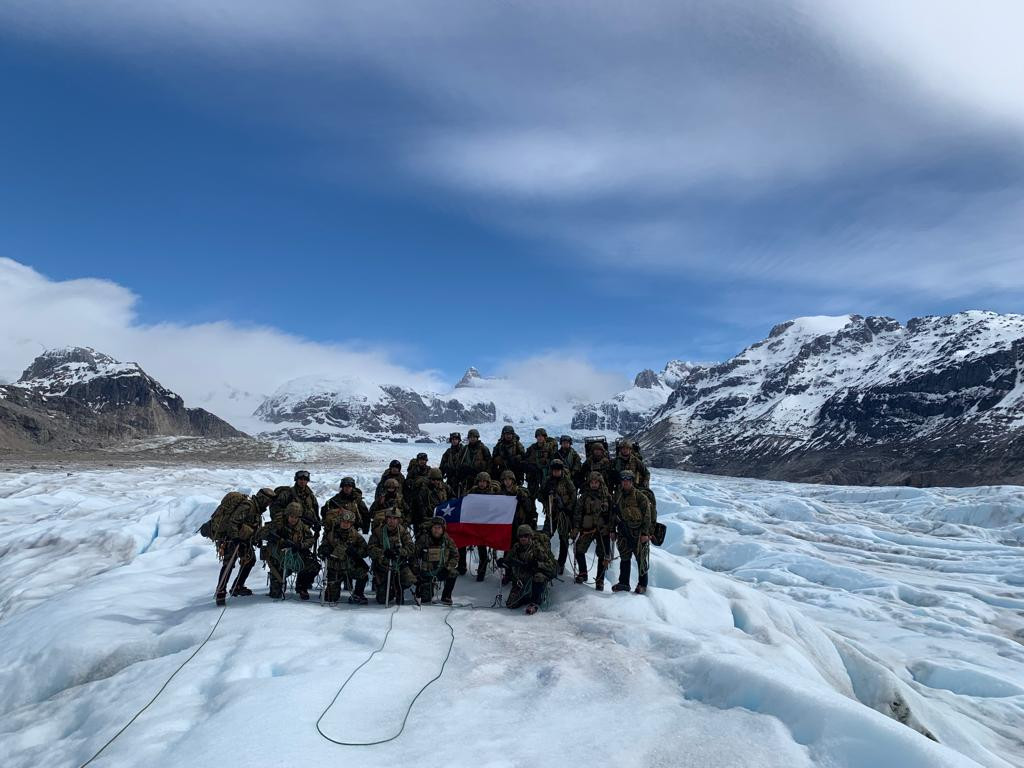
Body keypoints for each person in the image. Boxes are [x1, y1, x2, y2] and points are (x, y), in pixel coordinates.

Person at [213, 487, 275, 606]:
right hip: (232, 540)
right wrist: (236, 538)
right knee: (229, 564)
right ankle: (221, 592)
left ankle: (237, 586)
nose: (268, 505)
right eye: (267, 502)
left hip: (244, 541)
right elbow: (233, 522)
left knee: (250, 560)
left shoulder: (256, 509)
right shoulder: (248, 506)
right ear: (263, 499)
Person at [259, 502, 320, 600]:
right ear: (287, 515)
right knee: (276, 594)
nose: (293, 519)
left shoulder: (303, 527)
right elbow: (261, 534)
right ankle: (279, 585)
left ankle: (301, 587)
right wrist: (276, 538)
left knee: (314, 566)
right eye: (291, 516)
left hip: (297, 556)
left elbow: (311, 539)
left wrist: (300, 545)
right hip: (279, 558)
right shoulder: (278, 523)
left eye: (296, 517)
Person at [500, 525, 556, 615]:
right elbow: (508, 561)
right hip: (521, 579)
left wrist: (537, 564)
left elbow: (551, 566)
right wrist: (502, 562)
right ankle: (527, 595)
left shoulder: (537, 548)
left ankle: (535, 602)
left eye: (526, 536)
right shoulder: (516, 547)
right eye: (521, 536)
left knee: (539, 577)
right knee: (511, 604)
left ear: (530, 536)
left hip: (534, 577)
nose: (523, 538)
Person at [611, 471, 652, 595]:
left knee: (641, 560)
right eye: (623, 480)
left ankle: (642, 584)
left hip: (638, 533)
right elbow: (613, 515)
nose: (625, 482)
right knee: (625, 558)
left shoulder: (640, 497)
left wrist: (645, 533)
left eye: (628, 480)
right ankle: (624, 583)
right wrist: (612, 530)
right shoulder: (618, 496)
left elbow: (647, 516)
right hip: (623, 532)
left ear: (632, 481)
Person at [571, 472, 613, 591]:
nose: (594, 485)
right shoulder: (584, 497)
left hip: (602, 530)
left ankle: (600, 580)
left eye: (596, 482)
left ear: (600, 483)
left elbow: (612, 515)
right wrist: (576, 528)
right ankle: (583, 573)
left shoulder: (607, 497)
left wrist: (609, 528)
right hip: (587, 529)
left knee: (603, 555)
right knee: (579, 549)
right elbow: (578, 513)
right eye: (592, 482)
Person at [368, 508, 416, 605]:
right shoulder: (378, 532)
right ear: (386, 519)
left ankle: (399, 589)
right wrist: (383, 552)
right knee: (382, 599)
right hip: (383, 567)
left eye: (395, 518)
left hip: (399, 565)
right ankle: (388, 589)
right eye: (389, 518)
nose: (392, 521)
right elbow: (370, 549)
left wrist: (399, 551)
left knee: (410, 579)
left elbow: (411, 548)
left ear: (398, 520)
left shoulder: (403, 532)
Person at [499, 469, 537, 585]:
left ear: (513, 480)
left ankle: (521, 575)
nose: (507, 482)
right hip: (508, 525)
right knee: (508, 550)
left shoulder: (521, 492)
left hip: (521, 525)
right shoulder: (502, 493)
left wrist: (523, 500)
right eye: (505, 480)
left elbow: (530, 509)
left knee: (521, 551)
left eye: (509, 479)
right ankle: (508, 574)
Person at [462, 471, 501, 581]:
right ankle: (481, 571)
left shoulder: (494, 492)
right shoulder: (473, 491)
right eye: (480, 481)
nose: (482, 484)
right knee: (481, 548)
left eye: (484, 481)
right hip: (478, 524)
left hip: (491, 523)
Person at [325, 510, 370, 605]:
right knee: (330, 598)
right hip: (335, 568)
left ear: (352, 523)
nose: (345, 524)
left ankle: (358, 594)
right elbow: (322, 549)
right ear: (340, 521)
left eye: (348, 522)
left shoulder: (356, 536)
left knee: (363, 573)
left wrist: (355, 552)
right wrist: (325, 551)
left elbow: (366, 550)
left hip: (350, 567)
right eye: (344, 522)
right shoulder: (331, 534)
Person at [540, 458, 576, 575]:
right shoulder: (547, 480)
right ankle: (545, 560)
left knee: (564, 539)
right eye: (554, 470)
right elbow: (540, 494)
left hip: (563, 515)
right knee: (544, 537)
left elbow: (573, 495)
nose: (556, 472)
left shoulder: (567, 481)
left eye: (558, 470)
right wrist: (547, 494)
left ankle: (561, 564)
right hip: (551, 514)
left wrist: (567, 508)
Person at [414, 516, 459, 605]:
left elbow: (455, 556)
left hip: (441, 571)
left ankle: (446, 596)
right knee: (425, 600)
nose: (436, 530)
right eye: (435, 527)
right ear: (431, 528)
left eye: (439, 528)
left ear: (443, 529)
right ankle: (423, 589)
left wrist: (448, 566)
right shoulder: (423, 539)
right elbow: (414, 555)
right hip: (425, 573)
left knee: (453, 572)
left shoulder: (448, 540)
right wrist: (417, 573)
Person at [270, 470, 321, 536]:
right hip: (289, 529)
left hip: (305, 529)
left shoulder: (310, 496)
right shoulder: (288, 494)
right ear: (296, 480)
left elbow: (315, 511)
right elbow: (275, 510)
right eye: (300, 479)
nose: (302, 481)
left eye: (305, 479)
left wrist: (317, 524)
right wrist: (290, 517)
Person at [524, 428, 558, 500]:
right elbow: (525, 460)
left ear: (545, 437)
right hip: (534, 476)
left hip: (545, 475)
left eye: (541, 436)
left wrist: (546, 462)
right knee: (531, 495)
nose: (540, 438)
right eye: (538, 436)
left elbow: (554, 460)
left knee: (546, 495)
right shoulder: (532, 447)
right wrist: (531, 465)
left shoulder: (549, 447)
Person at [418, 468, 454, 534]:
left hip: (444, 517)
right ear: (430, 479)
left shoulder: (445, 488)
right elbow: (422, 507)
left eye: (438, 479)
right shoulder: (424, 491)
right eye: (433, 479)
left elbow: (453, 498)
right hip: (430, 519)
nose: (436, 482)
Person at [459, 428, 492, 493]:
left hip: (480, 478)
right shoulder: (465, 449)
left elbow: (489, 462)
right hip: (468, 477)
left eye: (474, 437)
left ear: (477, 438)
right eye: (471, 437)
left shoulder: (483, 448)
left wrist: (487, 476)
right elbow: (460, 462)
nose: (472, 439)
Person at [440, 432, 467, 497]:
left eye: (456, 439)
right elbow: (442, 466)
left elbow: (468, 465)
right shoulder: (448, 452)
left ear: (459, 440)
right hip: (450, 480)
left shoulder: (465, 451)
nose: (454, 441)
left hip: (462, 480)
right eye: (452, 439)